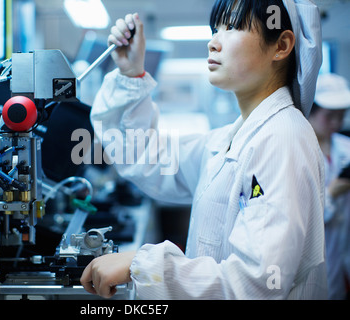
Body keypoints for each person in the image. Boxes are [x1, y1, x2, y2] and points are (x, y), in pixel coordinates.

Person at [80, 0, 327, 299]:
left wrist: (141, 264)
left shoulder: (282, 139)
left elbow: (256, 283)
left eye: (233, 27)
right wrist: (132, 73)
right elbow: (148, 159)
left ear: (281, 45)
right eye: (215, 29)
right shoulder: (230, 139)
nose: (213, 42)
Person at [309, 73, 350, 300]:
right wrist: (334, 192)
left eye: (342, 116)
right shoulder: (298, 151)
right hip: (315, 258)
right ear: (311, 111)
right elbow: (303, 215)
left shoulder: (346, 148)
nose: (337, 123)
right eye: (330, 116)